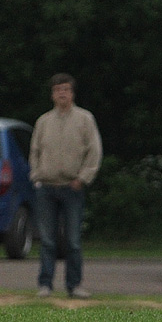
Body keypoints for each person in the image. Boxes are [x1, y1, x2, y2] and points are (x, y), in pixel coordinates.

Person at [30, 73, 102, 299]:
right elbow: (35, 151)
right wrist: (37, 176)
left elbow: (94, 151)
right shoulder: (43, 121)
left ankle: (74, 286)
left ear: (72, 93)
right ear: (52, 94)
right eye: (58, 89)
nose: (62, 93)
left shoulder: (84, 119)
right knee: (48, 241)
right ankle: (45, 285)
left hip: (72, 188)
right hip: (47, 188)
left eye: (66, 89)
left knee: (72, 241)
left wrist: (83, 179)